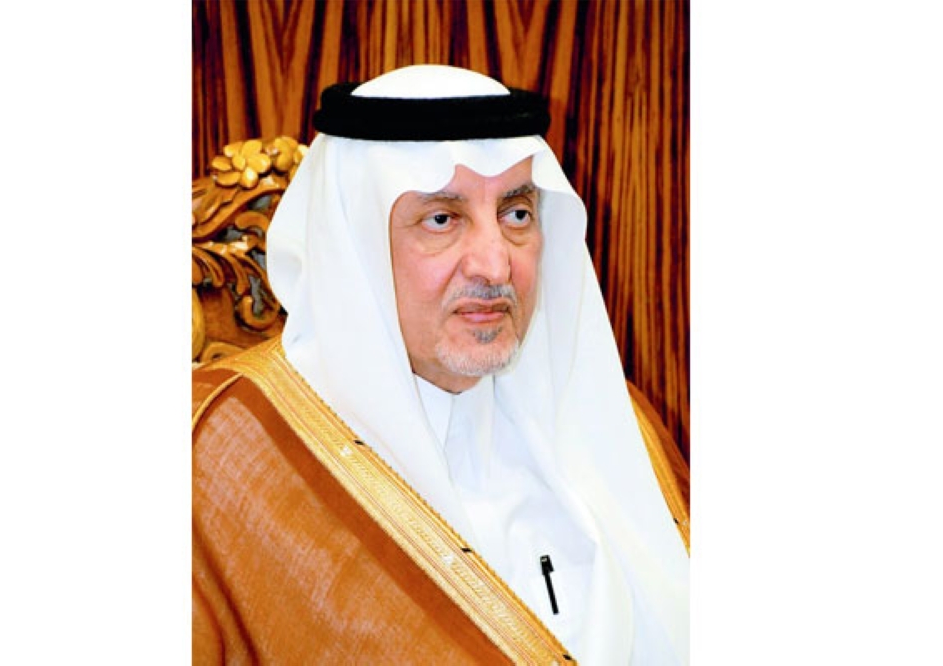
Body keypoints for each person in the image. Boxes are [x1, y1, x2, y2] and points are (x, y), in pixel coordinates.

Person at [192, 64, 688, 664]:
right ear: (356, 244)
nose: (496, 266)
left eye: (516, 214)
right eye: (442, 220)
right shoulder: (217, 453)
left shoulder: (614, 422)